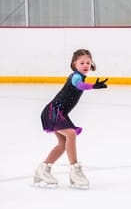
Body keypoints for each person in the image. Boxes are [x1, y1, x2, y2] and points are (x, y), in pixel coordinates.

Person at [33, 49, 108, 188]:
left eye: (88, 62)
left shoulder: (81, 76)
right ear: (74, 64)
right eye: (82, 62)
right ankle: (75, 171)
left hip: (58, 112)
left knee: (62, 144)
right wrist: (92, 86)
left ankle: (43, 168)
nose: (85, 65)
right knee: (71, 134)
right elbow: (79, 85)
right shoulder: (76, 76)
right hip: (53, 111)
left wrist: (91, 85)